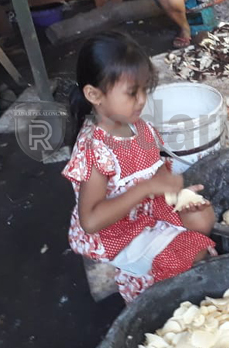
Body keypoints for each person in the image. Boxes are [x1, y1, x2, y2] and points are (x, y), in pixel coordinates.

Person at [63, 32, 217, 303]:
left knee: (203, 217)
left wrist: (176, 193)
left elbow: (155, 172)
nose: (142, 100)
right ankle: (146, 290)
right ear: (94, 95)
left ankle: (169, 260)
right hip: (114, 231)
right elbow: (91, 221)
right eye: (132, 93)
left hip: (146, 209)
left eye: (145, 89)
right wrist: (146, 188)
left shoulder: (140, 128)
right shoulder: (95, 150)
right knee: (193, 252)